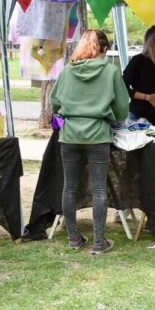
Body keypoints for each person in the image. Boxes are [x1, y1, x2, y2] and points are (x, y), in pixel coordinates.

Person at [50, 29, 129, 255]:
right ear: (104, 49)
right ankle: (98, 242)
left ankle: (74, 238)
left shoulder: (67, 71)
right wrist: (110, 115)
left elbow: (54, 101)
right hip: (98, 134)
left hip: (70, 135)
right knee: (98, 190)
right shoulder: (111, 71)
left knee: (69, 188)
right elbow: (122, 108)